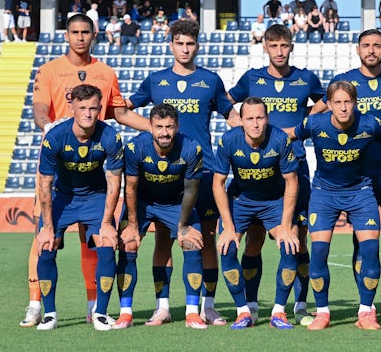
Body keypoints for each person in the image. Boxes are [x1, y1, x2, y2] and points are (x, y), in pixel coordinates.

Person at [20, 13, 149, 329]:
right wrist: (47, 124)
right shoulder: (49, 70)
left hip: (93, 172)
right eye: (74, 32)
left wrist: (157, 129)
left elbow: (118, 112)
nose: (80, 37)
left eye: (85, 32)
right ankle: (36, 303)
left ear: (95, 35)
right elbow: (39, 108)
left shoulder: (105, 72)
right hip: (58, 167)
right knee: (44, 238)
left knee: (93, 242)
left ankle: (95, 305)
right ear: (66, 35)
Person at [310, 29, 381, 325]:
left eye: (377, 45)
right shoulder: (346, 81)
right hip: (357, 177)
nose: (371, 50)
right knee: (363, 244)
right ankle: (367, 309)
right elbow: (321, 110)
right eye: (366, 45)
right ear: (358, 49)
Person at [127, 19, 240, 327]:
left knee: (204, 236)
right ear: (171, 45)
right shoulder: (155, 80)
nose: (185, 49)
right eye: (180, 43)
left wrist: (255, 136)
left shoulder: (211, 80)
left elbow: (232, 116)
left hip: (202, 172)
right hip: (164, 175)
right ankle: (162, 306)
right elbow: (124, 110)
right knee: (163, 238)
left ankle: (208, 305)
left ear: (197, 46)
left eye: (190, 44)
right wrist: (151, 130)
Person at [227, 24, 325, 326]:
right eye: (274, 46)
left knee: (298, 238)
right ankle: (253, 305)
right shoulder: (252, 78)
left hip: (294, 168)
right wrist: (237, 124)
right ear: (265, 47)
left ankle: (299, 304)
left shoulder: (306, 78)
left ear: (292, 46)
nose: (279, 52)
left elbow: (327, 99)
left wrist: (303, 125)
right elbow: (227, 103)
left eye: (284, 46)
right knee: (254, 240)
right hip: (257, 173)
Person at [287, 80, 381, 331]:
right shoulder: (314, 123)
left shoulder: (370, 124)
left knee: (370, 251)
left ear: (355, 103)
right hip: (325, 194)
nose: (343, 107)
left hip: (361, 193)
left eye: (348, 102)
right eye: (337, 102)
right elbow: (288, 135)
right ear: (329, 104)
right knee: (319, 253)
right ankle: (323, 312)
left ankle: (366, 312)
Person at [35, 84, 124, 331]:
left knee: (107, 244)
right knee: (46, 245)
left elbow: (114, 181)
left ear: (100, 109)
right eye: (82, 107)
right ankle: (49, 313)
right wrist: (48, 227)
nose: (88, 113)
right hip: (62, 198)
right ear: (72, 106)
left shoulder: (110, 137)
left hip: (95, 198)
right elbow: (45, 184)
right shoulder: (55, 137)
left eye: (93, 108)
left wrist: (106, 223)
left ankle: (101, 313)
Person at [114, 104, 207, 330]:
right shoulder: (135, 147)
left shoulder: (191, 148)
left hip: (176, 202)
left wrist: (183, 225)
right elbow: (131, 188)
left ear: (177, 127)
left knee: (191, 243)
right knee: (129, 244)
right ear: (150, 127)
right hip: (143, 201)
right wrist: (133, 224)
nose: (164, 132)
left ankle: (192, 312)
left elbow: (192, 190)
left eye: (169, 127)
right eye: (159, 127)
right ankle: (126, 313)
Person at [214, 97, 300, 330]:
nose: (255, 124)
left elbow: (292, 182)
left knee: (290, 245)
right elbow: (218, 183)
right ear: (240, 121)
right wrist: (229, 227)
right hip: (240, 201)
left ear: (267, 118)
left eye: (260, 118)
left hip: (274, 202)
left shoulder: (280, 139)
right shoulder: (228, 140)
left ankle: (279, 312)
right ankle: (243, 310)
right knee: (227, 247)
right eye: (250, 119)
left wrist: (285, 225)